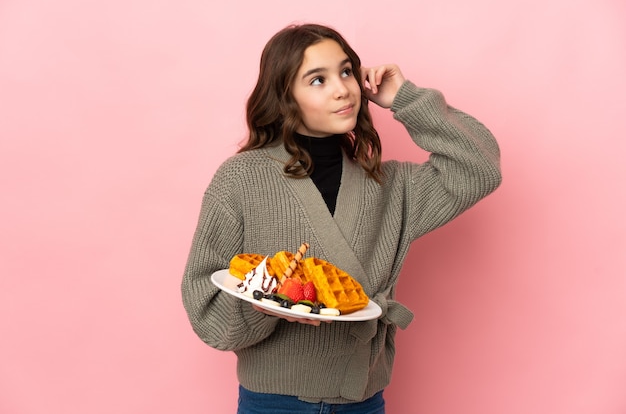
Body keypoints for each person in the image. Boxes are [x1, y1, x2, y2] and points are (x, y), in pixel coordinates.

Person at [182, 23, 501, 413]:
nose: (342, 89)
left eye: (346, 71)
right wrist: (259, 306)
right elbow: (206, 304)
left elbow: (480, 168)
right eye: (318, 80)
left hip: (363, 400)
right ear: (284, 97)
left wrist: (406, 98)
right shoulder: (241, 178)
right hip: (275, 402)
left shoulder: (390, 185)